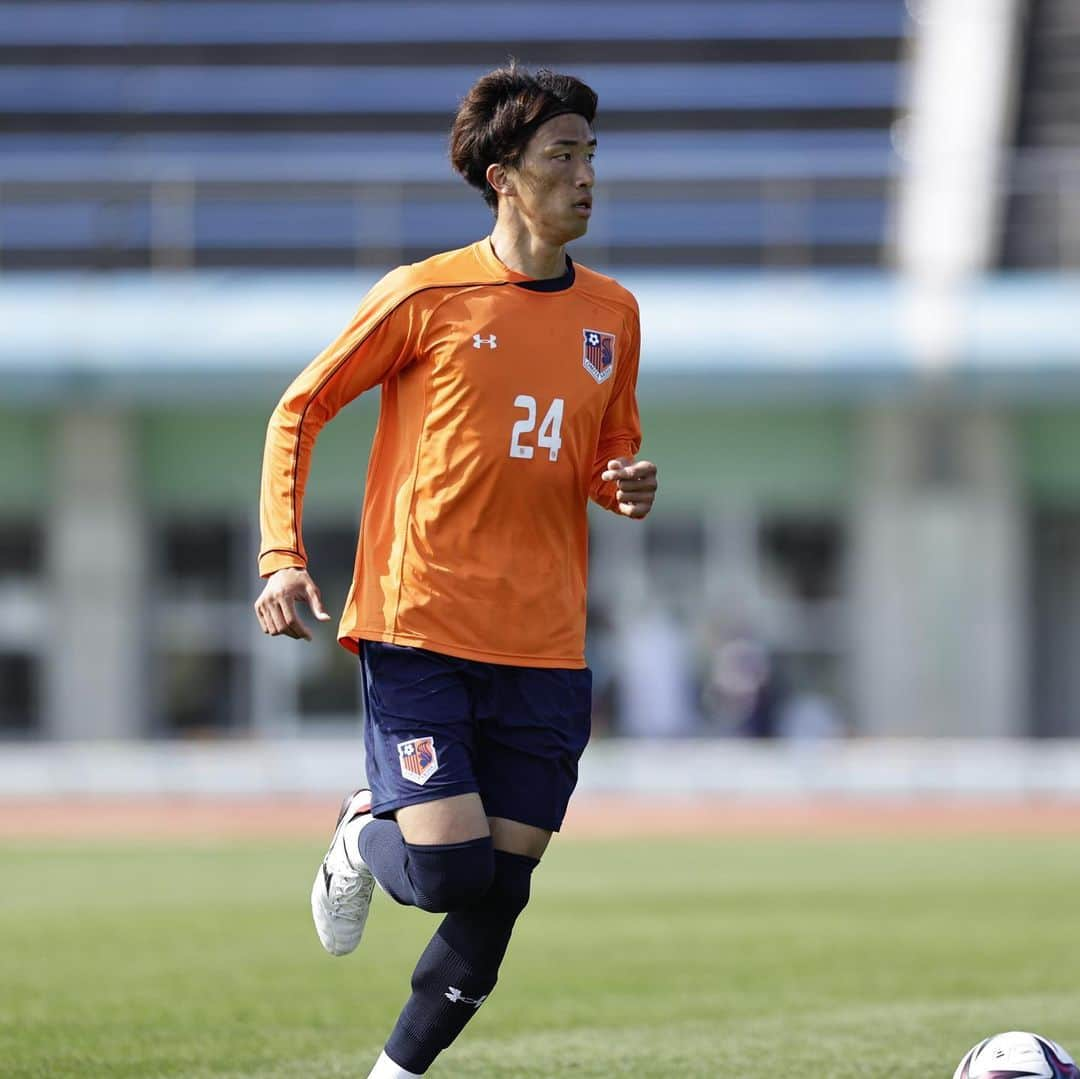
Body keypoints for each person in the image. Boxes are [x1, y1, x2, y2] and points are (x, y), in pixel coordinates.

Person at [254, 63, 658, 1079]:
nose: (585, 175)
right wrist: (281, 553)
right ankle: (360, 826)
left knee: (499, 893)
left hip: (546, 645)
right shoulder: (424, 295)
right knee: (442, 871)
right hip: (421, 622)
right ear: (502, 176)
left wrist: (624, 484)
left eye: (591, 155)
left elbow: (601, 454)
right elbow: (298, 409)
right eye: (562, 155)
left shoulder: (614, 312)